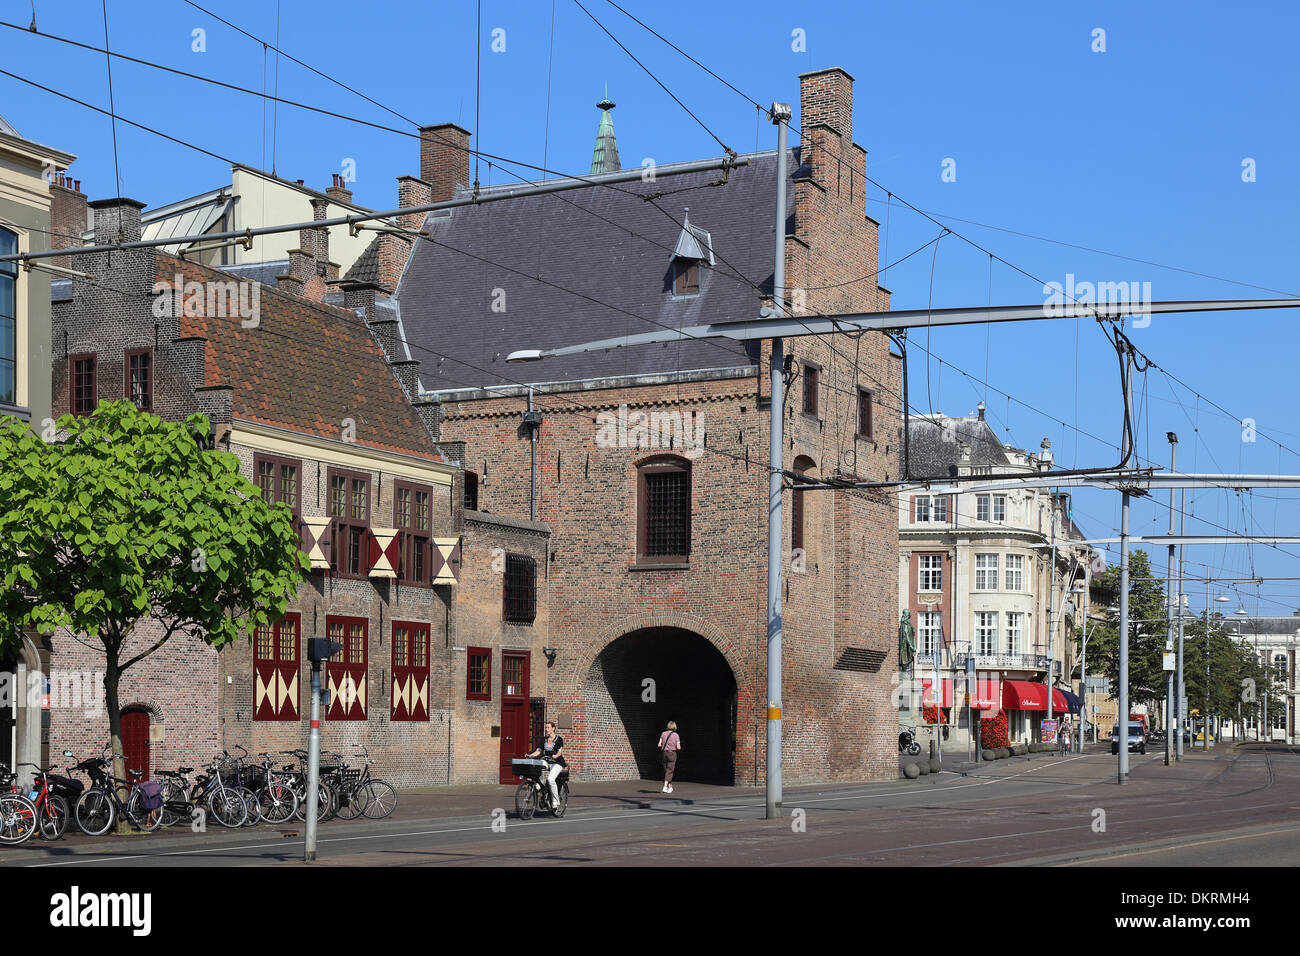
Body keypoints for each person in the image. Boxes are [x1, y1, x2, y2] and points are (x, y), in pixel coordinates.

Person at [526, 721, 565, 807]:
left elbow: (559, 752)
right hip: (547, 761)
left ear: (553, 728)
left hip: (557, 762)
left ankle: (555, 801)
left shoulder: (559, 739)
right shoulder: (543, 740)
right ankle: (538, 784)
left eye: (548, 727)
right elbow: (538, 751)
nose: (546, 729)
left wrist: (556, 756)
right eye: (546, 728)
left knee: (550, 780)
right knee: (539, 763)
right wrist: (530, 755)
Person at [658, 721, 681, 793]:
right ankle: (665, 786)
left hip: (664, 753)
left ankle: (670, 787)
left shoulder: (663, 733)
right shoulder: (676, 735)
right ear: (674, 726)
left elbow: (659, 744)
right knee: (670, 770)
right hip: (672, 753)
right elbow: (678, 747)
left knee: (666, 770)